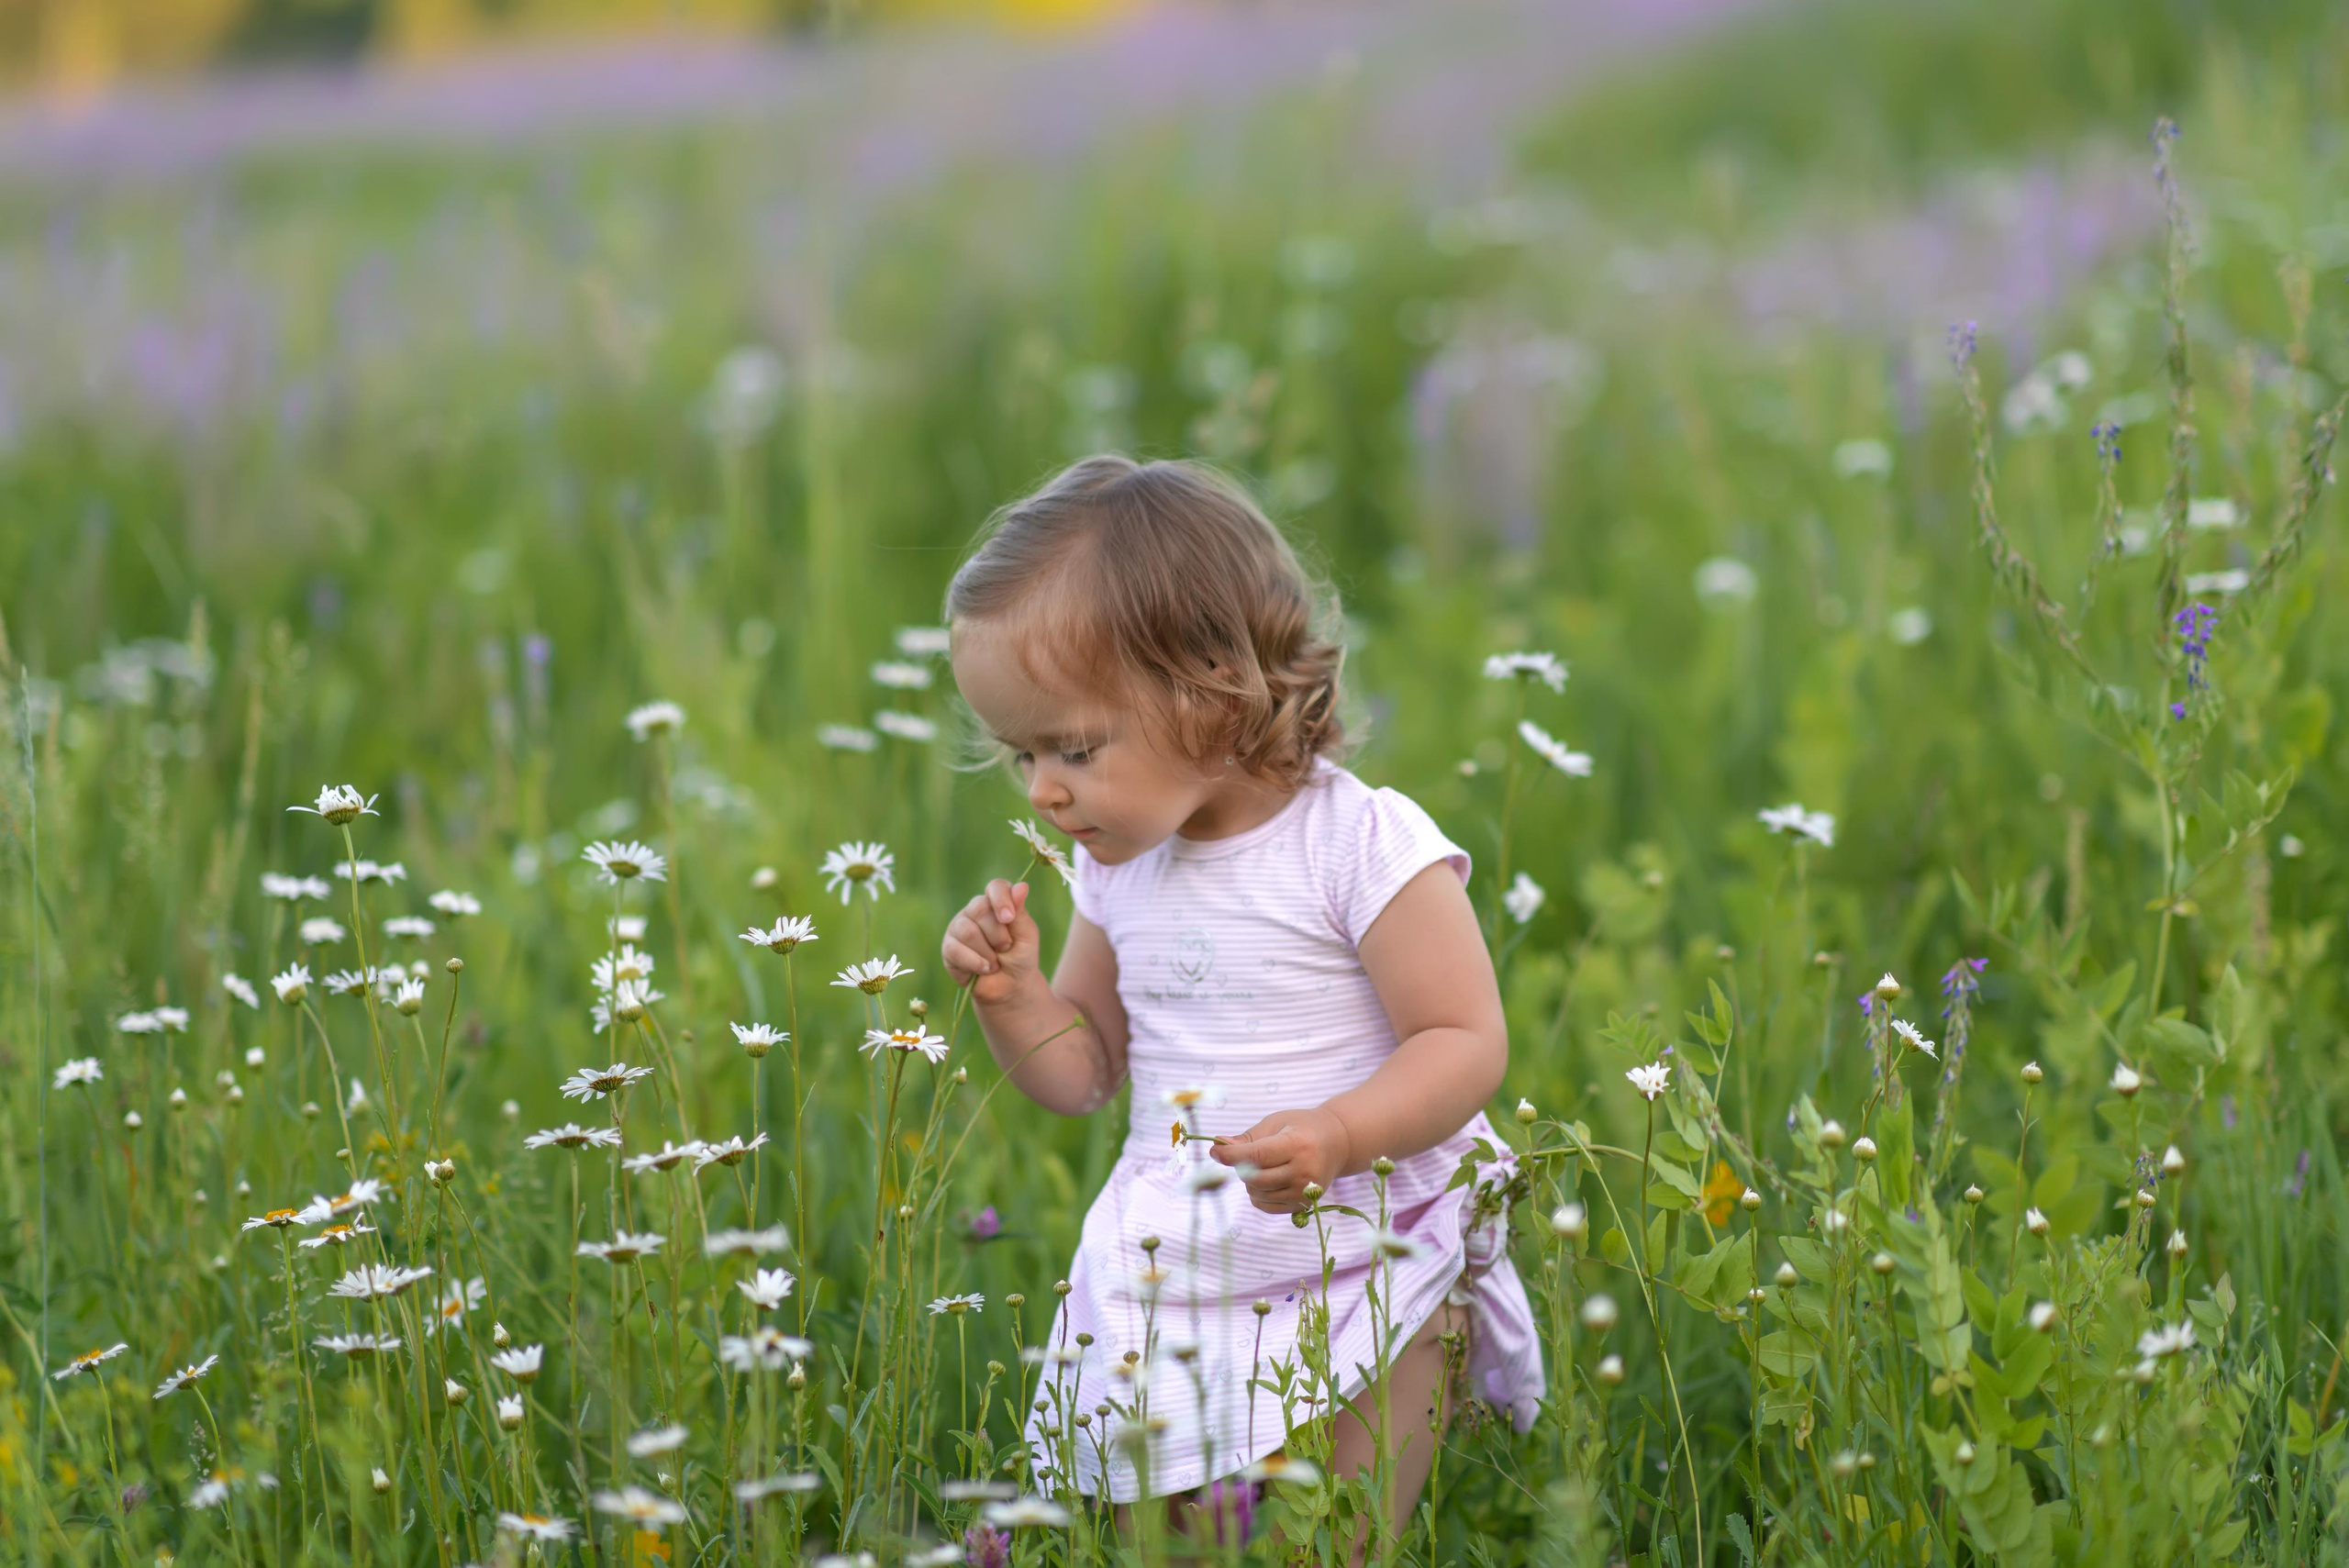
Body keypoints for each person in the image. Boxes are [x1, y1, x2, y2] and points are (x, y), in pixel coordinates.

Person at [939, 454, 1541, 1547]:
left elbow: (1464, 1039)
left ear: (1213, 691)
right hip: (1175, 1255)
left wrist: (1342, 1129)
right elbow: (1081, 1073)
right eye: (1019, 751)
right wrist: (1012, 995)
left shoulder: (1355, 842)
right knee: (1158, 1537)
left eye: (1073, 746)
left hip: (1364, 1246)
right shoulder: (1120, 868)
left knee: (1337, 1536)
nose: (1040, 789)